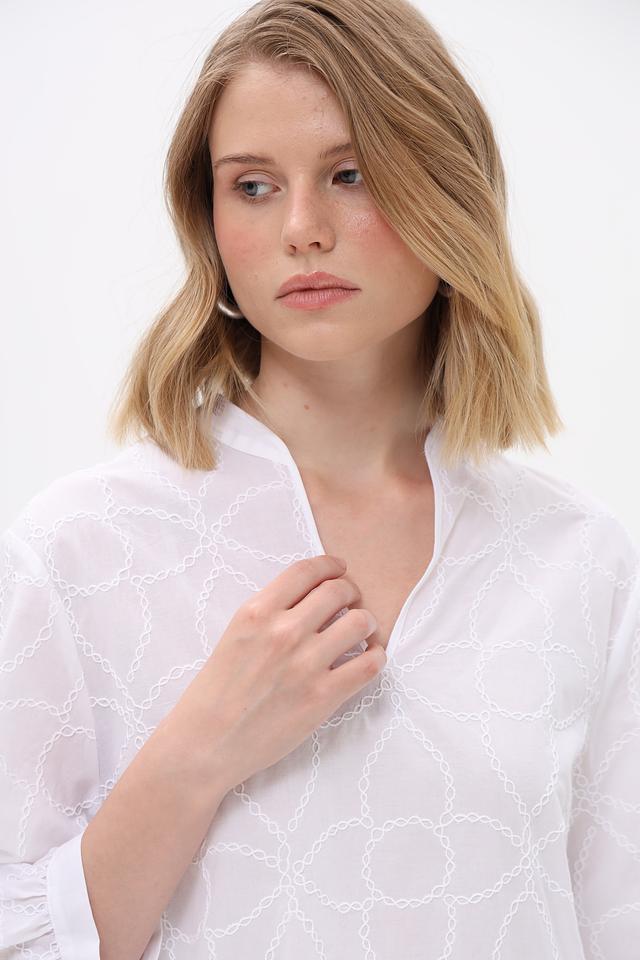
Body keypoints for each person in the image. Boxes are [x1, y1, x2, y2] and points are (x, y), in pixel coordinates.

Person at [1, 1, 638, 958]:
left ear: (445, 187)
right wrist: (201, 748)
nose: (302, 229)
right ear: (211, 221)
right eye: (252, 186)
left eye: (351, 174)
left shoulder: (579, 560)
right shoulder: (79, 550)